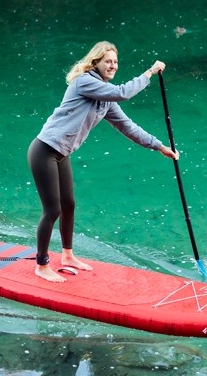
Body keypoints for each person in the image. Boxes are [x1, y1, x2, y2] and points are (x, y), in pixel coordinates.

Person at [27, 41, 179, 282]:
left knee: (69, 204)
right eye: (108, 61)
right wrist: (149, 72)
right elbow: (122, 93)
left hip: (62, 153)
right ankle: (42, 265)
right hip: (44, 150)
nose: (113, 66)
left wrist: (159, 146)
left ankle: (67, 256)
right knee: (53, 209)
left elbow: (127, 126)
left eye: (116, 62)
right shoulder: (85, 82)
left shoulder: (104, 98)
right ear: (95, 63)